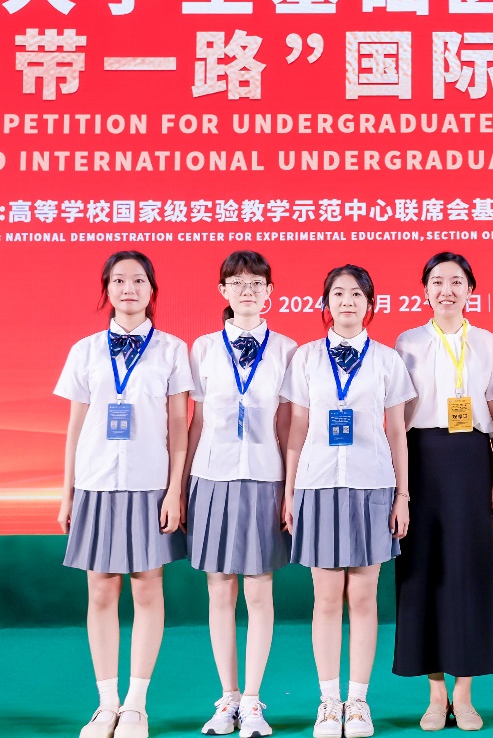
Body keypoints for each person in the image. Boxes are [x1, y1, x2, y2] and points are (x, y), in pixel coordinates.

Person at [55, 250, 192, 738]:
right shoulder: (85, 350)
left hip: (149, 483)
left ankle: (136, 704)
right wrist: (68, 493)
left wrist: (175, 490)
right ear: (106, 290)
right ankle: (106, 703)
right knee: (100, 590)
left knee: (147, 588)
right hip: (96, 483)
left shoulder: (172, 350)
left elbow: (180, 425)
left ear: (152, 290)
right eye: (118, 280)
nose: (128, 288)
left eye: (138, 280)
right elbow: (75, 427)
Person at [281, 264, 415, 738]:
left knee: (362, 596)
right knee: (325, 598)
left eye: (357, 294)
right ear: (326, 304)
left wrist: (402, 494)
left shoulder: (387, 360)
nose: (347, 302)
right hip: (317, 484)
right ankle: (328, 702)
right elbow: (297, 429)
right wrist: (289, 491)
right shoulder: (305, 358)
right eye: (338, 293)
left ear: (370, 305)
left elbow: (396, 431)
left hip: (371, 485)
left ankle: (357, 703)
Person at [393, 252, 493, 731]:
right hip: (419, 459)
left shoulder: (488, 343)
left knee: (468, 572)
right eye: (438, 281)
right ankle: (435, 693)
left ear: (470, 290)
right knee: (421, 572)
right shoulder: (407, 343)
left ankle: (464, 694)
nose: (447, 290)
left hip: (471, 462)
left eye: (457, 281)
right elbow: (396, 421)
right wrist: (400, 488)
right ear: (425, 290)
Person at [185, 251, 298, 737]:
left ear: (269, 292)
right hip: (211, 476)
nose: (247, 290)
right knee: (219, 588)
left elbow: (289, 427)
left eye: (256, 283)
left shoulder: (288, 350)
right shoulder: (203, 348)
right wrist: (182, 485)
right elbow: (194, 421)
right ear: (223, 292)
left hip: (265, 477)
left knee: (258, 589)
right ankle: (227, 698)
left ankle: (252, 701)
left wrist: (290, 489)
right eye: (237, 282)